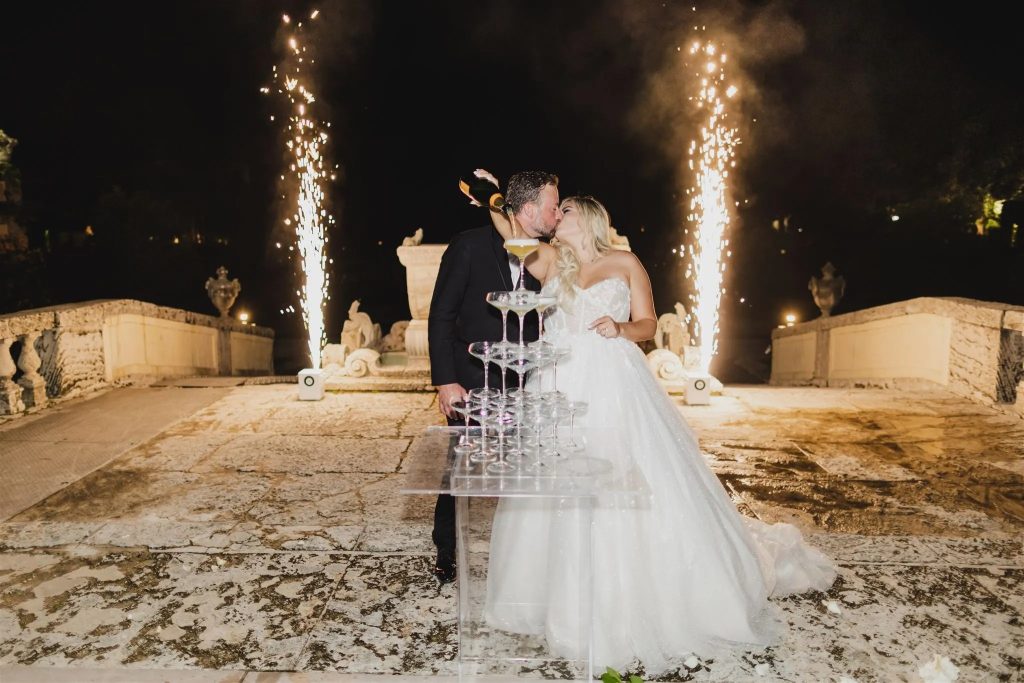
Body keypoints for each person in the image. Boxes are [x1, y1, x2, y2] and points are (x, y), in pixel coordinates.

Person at [483, 195, 837, 673]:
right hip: (558, 382)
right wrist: (492, 196)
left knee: (627, 480)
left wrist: (620, 326)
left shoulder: (625, 261)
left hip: (612, 380)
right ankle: (554, 599)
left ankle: (643, 598)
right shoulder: (549, 260)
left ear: (587, 219)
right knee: (554, 487)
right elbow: (510, 234)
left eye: (562, 211)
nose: (553, 217)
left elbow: (648, 324)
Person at [427, 170, 562, 583]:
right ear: (527, 210)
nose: (558, 215)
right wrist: (446, 381)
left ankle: (520, 555)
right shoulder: (468, 247)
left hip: (527, 380)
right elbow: (441, 316)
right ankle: (446, 550)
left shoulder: (547, 258)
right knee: (460, 468)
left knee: (525, 468)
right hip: (470, 380)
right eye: (553, 207)